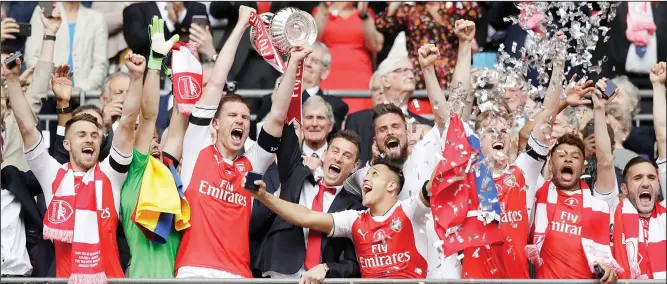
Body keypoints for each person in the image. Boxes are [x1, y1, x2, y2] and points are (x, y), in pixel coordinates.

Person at [173, 6, 308, 278]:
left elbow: (278, 116)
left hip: (238, 275)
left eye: (245, 117)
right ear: (215, 123)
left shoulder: (252, 162)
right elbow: (215, 83)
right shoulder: (197, 146)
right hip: (192, 273)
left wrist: (293, 64)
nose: (240, 121)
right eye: (232, 115)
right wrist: (240, 26)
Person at [7, 43, 143, 282]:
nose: (89, 138)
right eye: (81, 134)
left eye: (94, 134)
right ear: (67, 144)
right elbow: (27, 128)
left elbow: (128, 122)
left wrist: (136, 78)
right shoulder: (53, 175)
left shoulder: (111, 175)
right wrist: (13, 80)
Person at [249, 158, 434, 278]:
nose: (366, 180)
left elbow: (435, 184)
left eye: (374, 174)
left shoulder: (410, 210)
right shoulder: (355, 220)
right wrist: (264, 197)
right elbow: (306, 217)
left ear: (392, 186)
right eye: (366, 175)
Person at [117, 16, 187, 278]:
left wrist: (179, 73)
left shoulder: (171, 174)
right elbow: (148, 118)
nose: (155, 143)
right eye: (151, 140)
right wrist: (155, 63)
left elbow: (180, 121)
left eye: (159, 139)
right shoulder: (136, 171)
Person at [253, 127, 363, 282]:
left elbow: (354, 264)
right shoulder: (296, 175)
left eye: (347, 156)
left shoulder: (356, 208)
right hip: (277, 275)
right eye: (335, 151)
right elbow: (286, 132)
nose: (338, 159)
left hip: (318, 281)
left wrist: (327, 268)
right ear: (325, 154)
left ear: (355, 166)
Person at [526, 131, 621, 281]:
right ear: (550, 164)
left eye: (575, 157)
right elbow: (525, 141)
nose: (568, 159)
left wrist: (609, 271)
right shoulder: (535, 200)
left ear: (583, 169)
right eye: (562, 155)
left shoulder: (600, 207)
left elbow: (607, 258)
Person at [375, 2, 481, 90]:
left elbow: (476, 13)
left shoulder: (453, 8)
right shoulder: (412, 10)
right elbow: (381, 24)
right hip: (421, 73)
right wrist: (393, 7)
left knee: (453, 111)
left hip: (449, 72)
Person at [256, 42, 349, 134]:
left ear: (325, 73)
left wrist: (295, 93)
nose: (308, 63)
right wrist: (278, 98)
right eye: (303, 58)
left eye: (315, 61)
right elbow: (255, 135)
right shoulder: (270, 99)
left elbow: (330, 135)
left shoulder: (334, 105)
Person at [0, 12, 53, 171]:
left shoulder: (18, 118)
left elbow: (41, 81)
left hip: (15, 194)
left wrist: (50, 32)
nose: (4, 70)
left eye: (1, 97)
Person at [25, 2, 108, 91]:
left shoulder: (96, 18)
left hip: (84, 96)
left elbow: (100, 64)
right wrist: (48, 84)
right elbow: (31, 57)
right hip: (47, 94)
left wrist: (82, 88)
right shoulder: (44, 10)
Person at [312, 2, 383, 90]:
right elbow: (313, 40)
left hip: (359, 74)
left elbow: (375, 45)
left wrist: (364, 15)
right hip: (327, 72)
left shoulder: (366, 13)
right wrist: (324, 8)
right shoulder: (320, 11)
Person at [122, 2, 208, 59]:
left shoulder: (197, 7)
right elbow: (136, 42)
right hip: (155, 74)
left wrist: (182, 14)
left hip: (191, 69)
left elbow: (206, 40)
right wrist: (169, 23)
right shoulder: (137, 9)